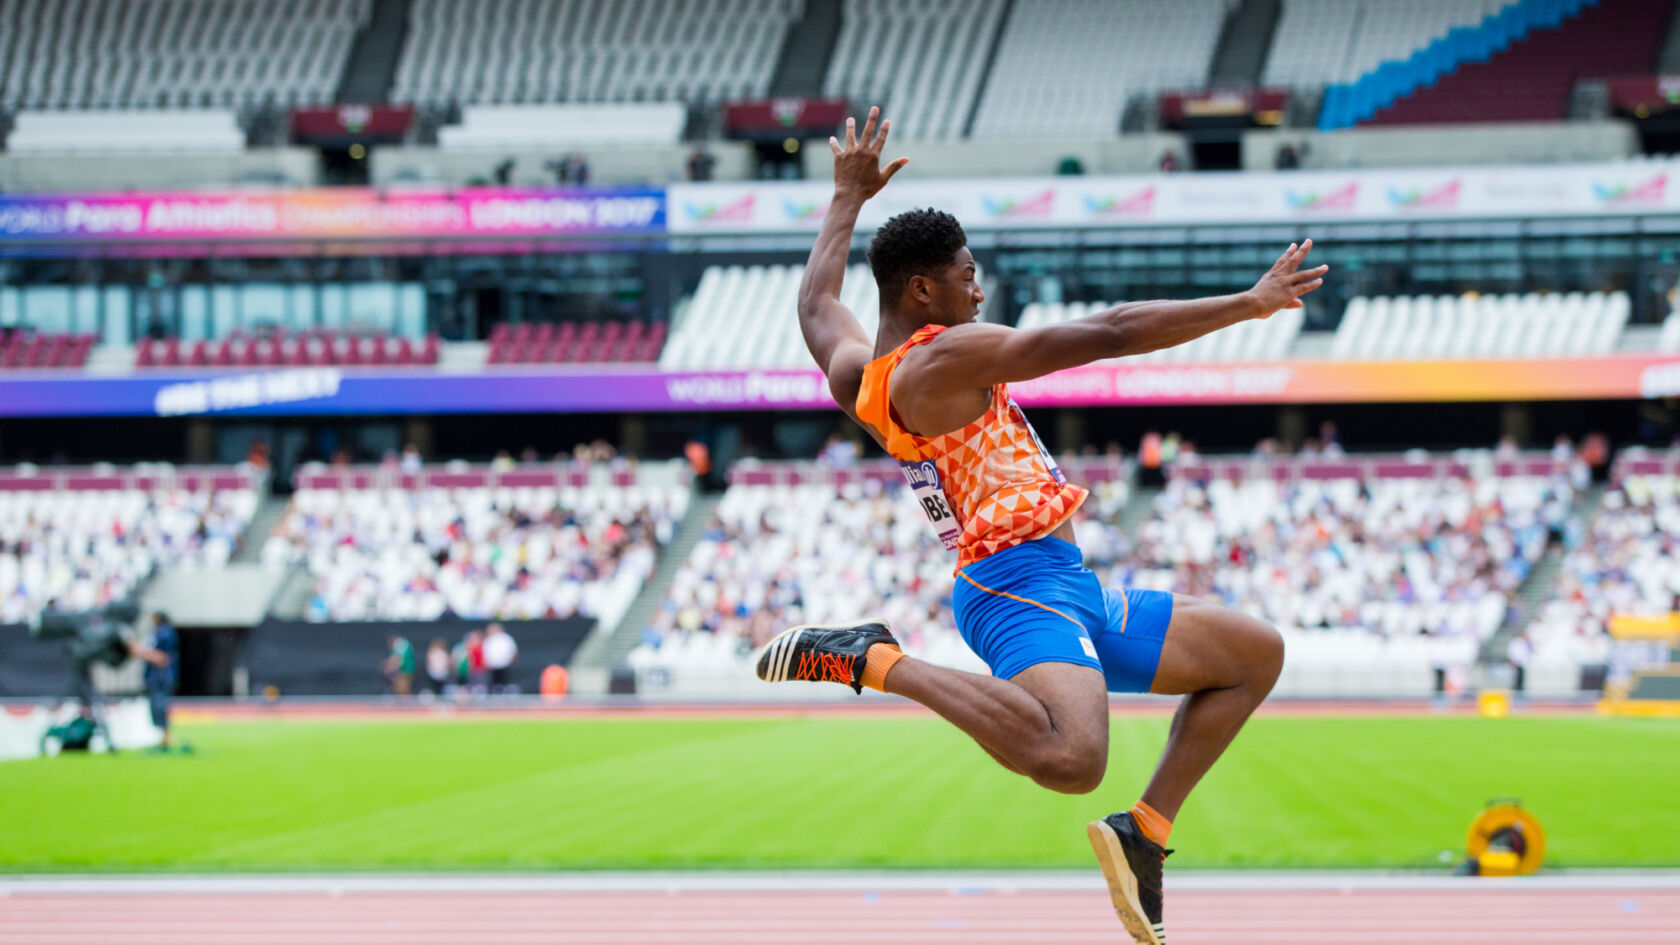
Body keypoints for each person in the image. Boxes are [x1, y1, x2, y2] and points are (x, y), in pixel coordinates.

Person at [755, 107, 1325, 945]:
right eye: (967, 273)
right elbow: (1106, 331)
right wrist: (1246, 303)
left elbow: (816, 303)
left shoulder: (859, 373)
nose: (978, 289)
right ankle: (875, 659)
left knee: (1252, 654)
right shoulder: (944, 356)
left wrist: (846, 197)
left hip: (1062, 583)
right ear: (924, 291)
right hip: (1014, 586)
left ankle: (1145, 834)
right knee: (1071, 758)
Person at [129, 612, 179, 752]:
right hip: (156, 677)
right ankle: (161, 738)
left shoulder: (165, 633)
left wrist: (141, 651)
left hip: (161, 677)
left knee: (160, 706)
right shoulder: (159, 632)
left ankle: (165, 739)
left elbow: (162, 657)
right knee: (156, 706)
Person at [483, 622, 518, 694]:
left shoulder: (506, 638)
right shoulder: (489, 639)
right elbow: (485, 652)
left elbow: (513, 651)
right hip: (492, 666)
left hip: (504, 665)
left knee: (504, 683)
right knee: (493, 684)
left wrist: (510, 661)